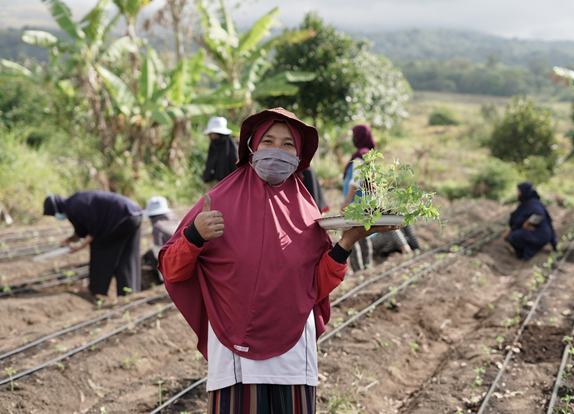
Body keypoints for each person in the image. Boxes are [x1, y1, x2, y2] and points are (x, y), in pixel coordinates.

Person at [158, 108, 398, 414]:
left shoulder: (307, 210)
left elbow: (316, 286)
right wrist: (194, 235)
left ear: (299, 156)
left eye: (287, 145)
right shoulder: (217, 201)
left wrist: (348, 241)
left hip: (293, 350)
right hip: (235, 351)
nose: (276, 151)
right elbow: (171, 269)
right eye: (268, 141)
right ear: (251, 148)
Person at [341, 124, 420, 271]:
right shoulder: (369, 155)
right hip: (364, 205)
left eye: (354, 135)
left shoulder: (360, 155)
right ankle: (367, 268)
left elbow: (355, 181)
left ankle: (359, 270)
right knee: (362, 236)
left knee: (349, 238)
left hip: (354, 206)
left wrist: (345, 203)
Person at [42, 191, 142, 299]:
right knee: (127, 255)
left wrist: (79, 247)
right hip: (134, 214)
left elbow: (95, 231)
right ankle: (129, 294)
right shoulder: (73, 204)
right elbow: (82, 231)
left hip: (121, 216)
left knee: (100, 249)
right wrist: (69, 240)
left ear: (56, 209)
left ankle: (95, 289)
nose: (56, 217)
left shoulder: (75, 207)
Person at [503, 182, 557, 260]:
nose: (518, 193)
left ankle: (524, 253)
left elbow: (539, 214)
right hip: (543, 233)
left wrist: (527, 223)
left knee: (515, 236)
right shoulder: (528, 203)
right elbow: (518, 222)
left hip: (541, 235)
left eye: (519, 191)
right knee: (514, 234)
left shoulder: (533, 203)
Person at [142, 196, 180, 281]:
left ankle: (163, 279)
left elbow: (158, 251)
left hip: (173, 262)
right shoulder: (176, 220)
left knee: (150, 255)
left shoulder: (157, 226)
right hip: (183, 255)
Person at [203, 116, 238, 183]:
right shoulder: (213, 146)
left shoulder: (231, 146)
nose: (212, 136)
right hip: (213, 183)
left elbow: (235, 166)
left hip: (229, 183)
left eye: (214, 134)